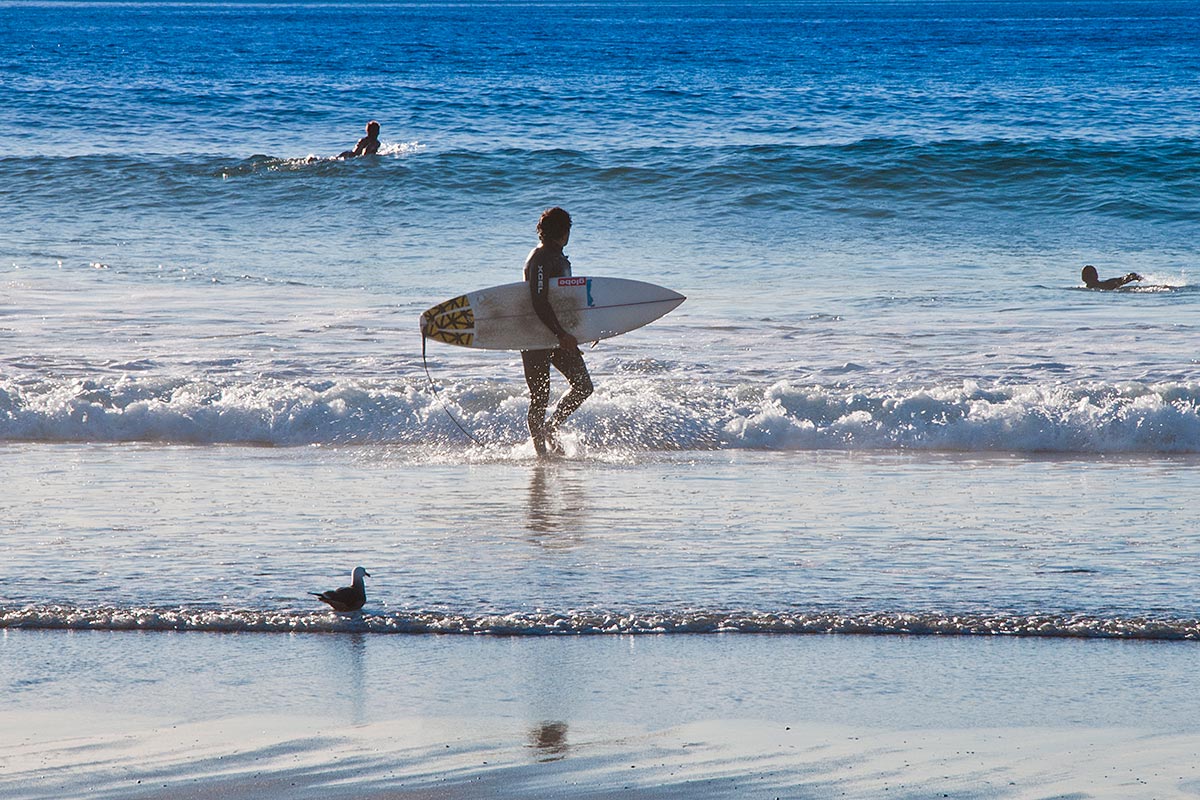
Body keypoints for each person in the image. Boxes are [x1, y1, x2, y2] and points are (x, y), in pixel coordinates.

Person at [522, 207, 593, 456]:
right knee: (540, 396)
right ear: (564, 232)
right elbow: (539, 301)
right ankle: (541, 453)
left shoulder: (559, 258)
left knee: (583, 386)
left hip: (558, 335)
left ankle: (551, 428)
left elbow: (564, 302)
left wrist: (584, 330)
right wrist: (561, 334)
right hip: (536, 336)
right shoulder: (540, 259)